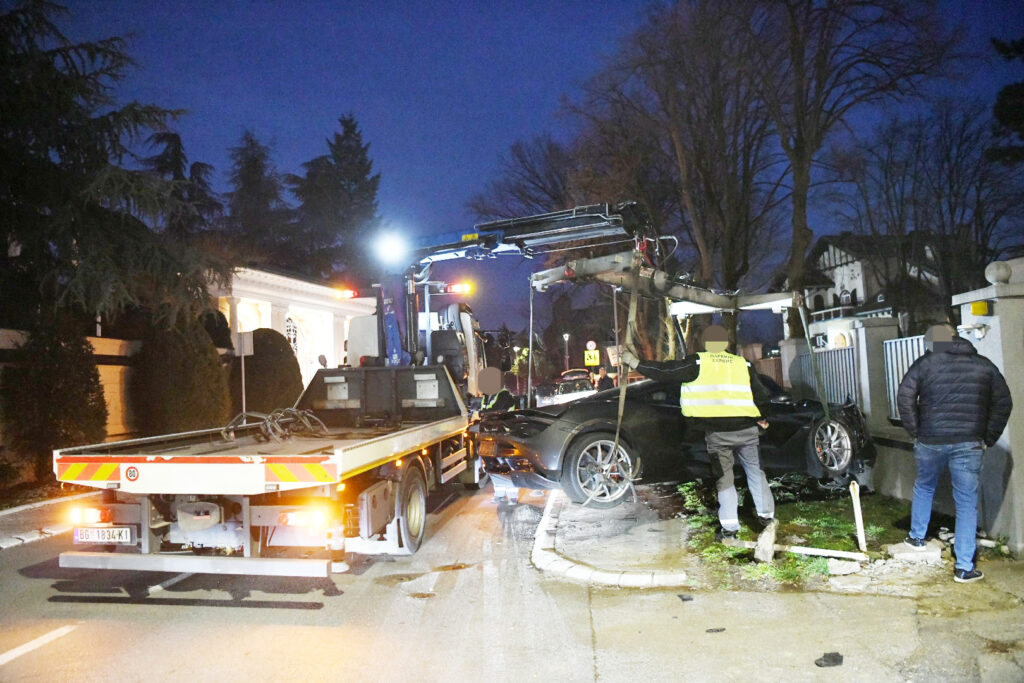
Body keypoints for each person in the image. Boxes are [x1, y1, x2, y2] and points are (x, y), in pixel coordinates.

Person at [621, 325, 774, 540]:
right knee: (756, 473)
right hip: (747, 430)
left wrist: (635, 362)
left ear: (706, 344)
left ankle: (730, 529)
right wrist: (762, 419)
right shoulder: (743, 363)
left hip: (719, 433)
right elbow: (761, 394)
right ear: (725, 344)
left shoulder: (699, 362)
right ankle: (767, 518)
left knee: (725, 479)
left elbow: (665, 373)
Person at [897, 324, 1012, 584]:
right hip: (969, 442)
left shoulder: (924, 364)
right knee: (966, 503)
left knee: (924, 486)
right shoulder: (984, 365)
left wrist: (916, 431)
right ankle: (963, 568)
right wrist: (987, 437)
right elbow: (1003, 402)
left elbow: (905, 397)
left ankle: (917, 538)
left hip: (930, 440)